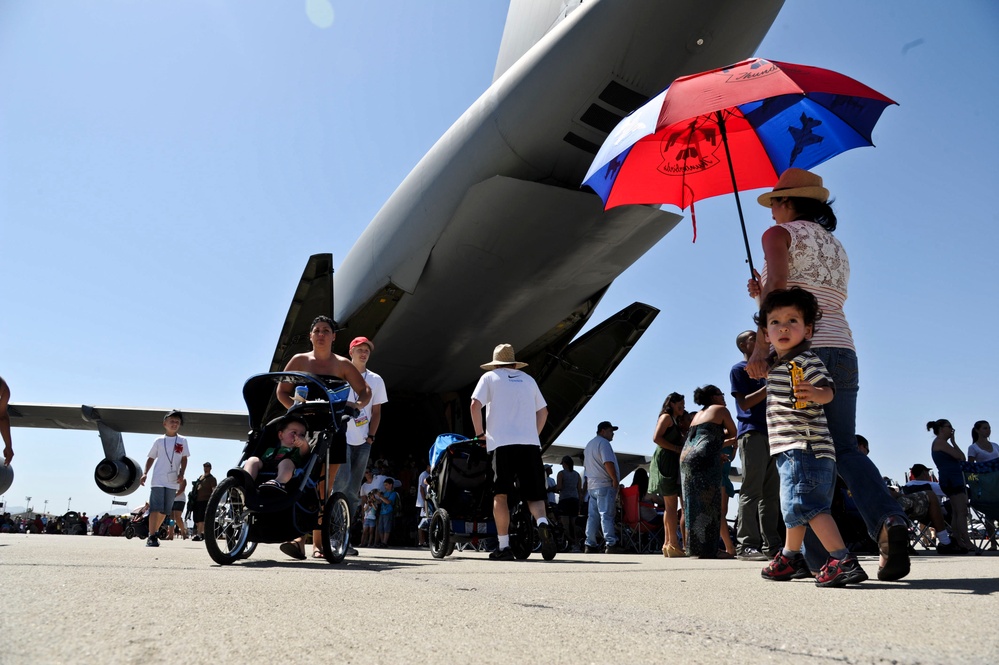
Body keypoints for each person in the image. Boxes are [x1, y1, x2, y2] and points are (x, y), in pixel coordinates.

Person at [747, 168, 909, 582]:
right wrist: (761, 290)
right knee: (841, 449)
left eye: (774, 204)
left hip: (803, 351)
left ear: (787, 203)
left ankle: (821, 558)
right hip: (844, 348)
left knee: (802, 448)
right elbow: (807, 291)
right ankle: (888, 520)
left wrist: (760, 345)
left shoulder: (776, 236)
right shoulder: (834, 245)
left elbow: (783, 283)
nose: (770, 214)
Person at [755, 287, 868, 586]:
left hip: (804, 446)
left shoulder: (806, 361)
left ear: (808, 330)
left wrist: (815, 392)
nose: (783, 327)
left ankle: (842, 559)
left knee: (809, 506)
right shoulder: (777, 363)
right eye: (775, 323)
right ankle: (790, 556)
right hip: (792, 449)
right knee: (795, 505)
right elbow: (766, 315)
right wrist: (759, 298)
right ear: (766, 333)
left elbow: (830, 391)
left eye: (792, 321)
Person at [277, 316, 372, 559]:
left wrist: (356, 405)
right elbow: (282, 392)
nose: (321, 334)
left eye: (326, 330)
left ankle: (318, 543)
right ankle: (298, 538)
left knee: (323, 488)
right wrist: (296, 414)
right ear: (310, 336)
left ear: (333, 336)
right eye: (316, 330)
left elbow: (364, 390)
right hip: (304, 431)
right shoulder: (298, 360)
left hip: (334, 430)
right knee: (299, 481)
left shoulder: (342, 364)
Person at [469, 343, 556, 561]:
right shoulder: (528, 380)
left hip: (502, 443)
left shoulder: (489, 378)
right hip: (529, 444)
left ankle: (504, 546)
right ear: (514, 362)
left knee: (501, 495)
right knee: (535, 495)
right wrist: (532, 435)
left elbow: (474, 405)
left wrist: (480, 434)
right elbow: (543, 411)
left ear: (495, 363)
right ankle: (543, 524)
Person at [330, 336, 388, 556]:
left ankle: (344, 537)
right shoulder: (339, 373)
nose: (364, 353)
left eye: (367, 351)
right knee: (341, 484)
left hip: (363, 441)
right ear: (350, 351)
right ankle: (332, 535)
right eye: (360, 349)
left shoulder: (376, 379)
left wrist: (371, 435)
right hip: (342, 437)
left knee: (354, 492)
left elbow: (376, 411)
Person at [730, 331, 781, 561]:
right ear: (743, 345)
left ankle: (773, 546)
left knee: (771, 494)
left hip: (773, 432)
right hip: (752, 433)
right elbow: (745, 403)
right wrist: (769, 385)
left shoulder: (769, 369)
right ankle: (746, 545)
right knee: (751, 490)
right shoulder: (739, 370)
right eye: (753, 338)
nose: (761, 339)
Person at [680, 386, 737, 559]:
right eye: (721, 394)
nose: (724, 397)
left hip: (686, 458)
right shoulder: (720, 410)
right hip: (705, 459)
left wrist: (714, 446)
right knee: (710, 502)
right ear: (714, 397)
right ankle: (711, 549)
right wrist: (720, 443)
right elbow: (734, 433)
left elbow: (698, 437)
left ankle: (694, 548)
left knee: (692, 504)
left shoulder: (697, 415)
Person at [139, 410, 190, 548]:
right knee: (155, 508)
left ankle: (154, 531)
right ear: (165, 423)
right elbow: (151, 458)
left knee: (165, 511)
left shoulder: (182, 440)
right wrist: (145, 473)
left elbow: (184, 459)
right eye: (172, 421)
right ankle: (152, 535)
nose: (174, 424)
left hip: (173, 481)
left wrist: (182, 473)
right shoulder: (159, 441)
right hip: (158, 479)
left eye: (177, 422)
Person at [928, 419, 974, 552]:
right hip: (952, 480)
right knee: (962, 511)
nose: (952, 429)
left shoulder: (941, 443)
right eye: (949, 427)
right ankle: (966, 540)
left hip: (950, 479)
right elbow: (960, 457)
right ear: (942, 429)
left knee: (956, 512)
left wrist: (953, 442)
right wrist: (953, 442)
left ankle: (958, 540)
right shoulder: (941, 443)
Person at [650, 393, 686, 557]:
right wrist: (676, 449)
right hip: (666, 461)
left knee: (669, 506)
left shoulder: (674, 419)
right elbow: (656, 438)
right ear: (671, 403)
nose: (683, 407)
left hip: (669, 461)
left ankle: (667, 543)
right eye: (680, 404)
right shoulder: (666, 418)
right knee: (671, 506)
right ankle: (673, 543)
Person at [583, 422, 624, 554]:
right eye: (611, 430)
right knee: (606, 515)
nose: (612, 434)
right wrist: (615, 479)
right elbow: (608, 462)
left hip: (592, 486)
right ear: (603, 431)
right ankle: (611, 543)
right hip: (604, 484)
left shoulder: (589, 445)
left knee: (592, 516)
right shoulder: (604, 443)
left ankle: (590, 543)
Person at [242, 415, 310, 489]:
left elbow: (305, 450)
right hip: (267, 466)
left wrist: (303, 442)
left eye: (302, 435)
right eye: (294, 432)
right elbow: (262, 461)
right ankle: (246, 482)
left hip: (288, 474)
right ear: (281, 435)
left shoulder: (298, 451)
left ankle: (279, 482)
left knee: (286, 462)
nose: (297, 436)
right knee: (253, 459)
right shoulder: (271, 450)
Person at [552, 455, 582, 552]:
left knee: (565, 524)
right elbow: (579, 490)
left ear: (564, 464)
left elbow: (559, 487)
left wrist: (552, 489)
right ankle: (576, 544)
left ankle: (570, 542)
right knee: (574, 523)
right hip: (575, 500)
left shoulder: (561, 473)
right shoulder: (577, 475)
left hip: (565, 500)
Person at [191, 462, 216, 542]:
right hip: (197, 500)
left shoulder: (212, 479)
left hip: (205, 500)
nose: (206, 468)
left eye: (207, 466)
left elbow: (214, 490)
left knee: (201, 518)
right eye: (205, 466)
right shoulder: (201, 477)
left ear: (210, 468)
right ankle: (203, 533)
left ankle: (198, 535)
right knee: (196, 519)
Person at [375, 478, 398, 547]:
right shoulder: (384, 493)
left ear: (391, 485)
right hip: (382, 512)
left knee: (386, 528)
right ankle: (382, 542)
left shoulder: (393, 493)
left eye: (386, 485)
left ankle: (385, 542)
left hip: (388, 512)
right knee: (380, 528)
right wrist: (374, 499)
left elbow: (388, 502)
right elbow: (380, 502)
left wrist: (380, 496)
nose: (385, 487)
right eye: (384, 485)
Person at [415, 462, 431, 547]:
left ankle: (425, 541)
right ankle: (421, 541)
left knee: (426, 522)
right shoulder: (423, 475)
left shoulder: (429, 475)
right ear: (428, 466)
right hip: (422, 503)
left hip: (427, 503)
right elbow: (421, 488)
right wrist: (424, 501)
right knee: (421, 523)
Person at [0, 375, 13, 466]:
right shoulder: (3, 388)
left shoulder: (3, 388)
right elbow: (2, 417)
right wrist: (8, 447)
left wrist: (8, 446)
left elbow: (2, 417)